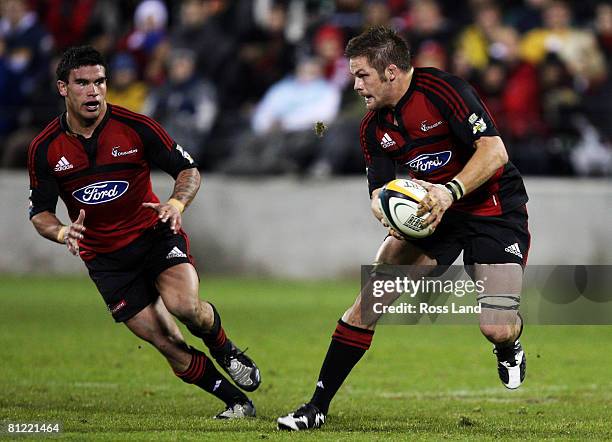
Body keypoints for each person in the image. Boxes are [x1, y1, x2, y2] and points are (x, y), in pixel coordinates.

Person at [278, 26, 529, 431]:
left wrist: (450, 191)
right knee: (371, 296)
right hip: (433, 218)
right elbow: (378, 193)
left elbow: (495, 150)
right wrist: (387, 211)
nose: (355, 85)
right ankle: (316, 406)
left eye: (362, 75)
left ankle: (510, 344)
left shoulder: (443, 90)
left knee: (495, 326)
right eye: (353, 75)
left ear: (391, 71)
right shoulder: (372, 128)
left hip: (493, 210)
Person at [27, 46, 260, 419]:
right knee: (164, 341)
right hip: (106, 260)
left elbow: (189, 170)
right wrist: (61, 232)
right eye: (82, 83)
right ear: (62, 88)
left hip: (154, 237)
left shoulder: (135, 126)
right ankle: (235, 402)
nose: (93, 91)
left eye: (100, 82)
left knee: (186, 308)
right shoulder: (45, 148)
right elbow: (39, 212)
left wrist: (176, 204)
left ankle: (225, 348)